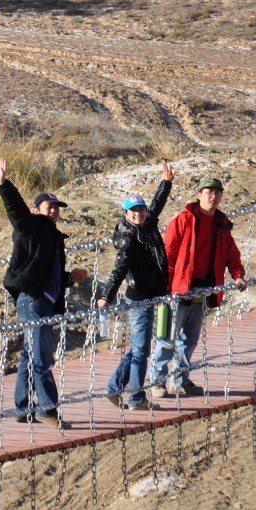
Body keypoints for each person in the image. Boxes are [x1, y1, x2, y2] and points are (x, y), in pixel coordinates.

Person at [0, 157, 88, 428]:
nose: (54, 211)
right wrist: (3, 184)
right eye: (50, 206)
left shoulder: (53, 239)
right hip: (32, 301)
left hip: (44, 302)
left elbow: (51, 277)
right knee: (41, 357)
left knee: (30, 355)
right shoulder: (32, 228)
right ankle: (47, 409)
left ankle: (23, 408)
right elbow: (16, 211)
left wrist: (71, 278)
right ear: (38, 210)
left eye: (57, 207)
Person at [152, 176, 246, 398]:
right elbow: (168, 255)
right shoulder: (183, 220)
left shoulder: (221, 224)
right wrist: (165, 287)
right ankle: (157, 382)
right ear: (199, 194)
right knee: (167, 338)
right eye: (208, 192)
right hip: (178, 290)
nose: (213, 196)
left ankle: (181, 379)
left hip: (204, 290)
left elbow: (232, 254)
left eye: (217, 192)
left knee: (190, 339)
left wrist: (238, 275)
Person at [98, 162, 175, 409]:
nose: (138, 214)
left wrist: (166, 183)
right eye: (133, 211)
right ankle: (136, 398)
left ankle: (114, 387)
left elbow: (157, 205)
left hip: (152, 294)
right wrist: (106, 297)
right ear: (125, 214)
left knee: (139, 349)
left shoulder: (147, 224)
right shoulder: (128, 239)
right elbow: (119, 269)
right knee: (141, 351)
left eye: (140, 210)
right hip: (139, 297)